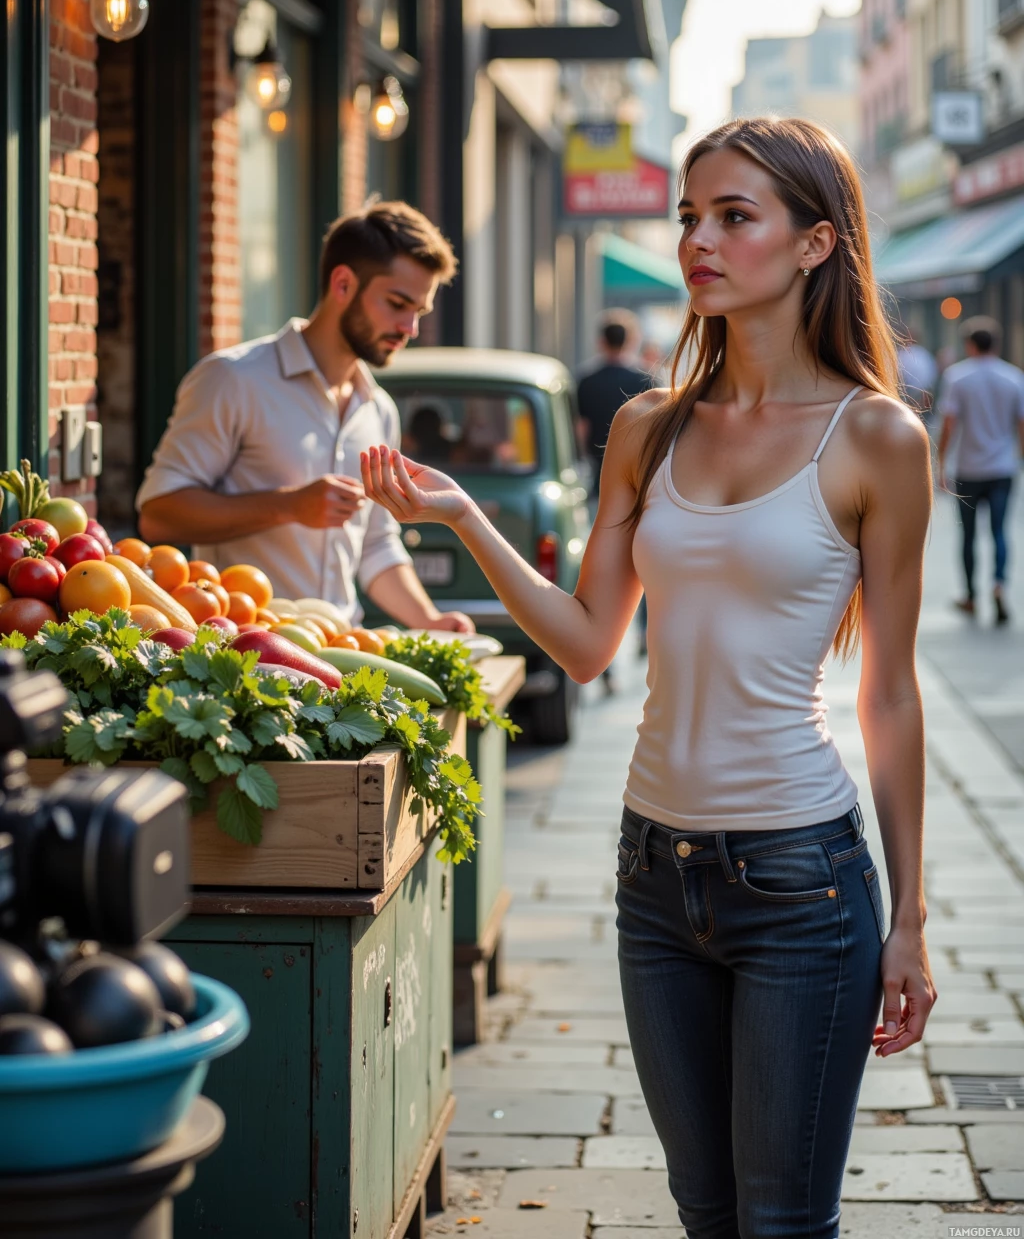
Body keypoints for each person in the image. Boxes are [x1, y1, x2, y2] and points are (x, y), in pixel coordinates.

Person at [360, 117, 936, 1239]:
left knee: (778, 1222)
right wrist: (463, 513)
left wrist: (907, 917)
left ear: (816, 244)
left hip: (802, 882)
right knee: (704, 1210)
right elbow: (584, 644)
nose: (698, 242)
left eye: (734, 216)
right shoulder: (644, 428)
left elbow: (893, 695)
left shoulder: (876, 438)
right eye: (688, 216)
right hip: (650, 874)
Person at [136, 201, 474, 635]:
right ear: (343, 283)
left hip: (341, 658)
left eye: (419, 312)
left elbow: (375, 544)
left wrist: (431, 621)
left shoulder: (379, 409)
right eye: (397, 304)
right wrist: (288, 506)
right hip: (245, 657)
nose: (410, 327)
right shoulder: (233, 379)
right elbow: (159, 514)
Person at [576, 314, 650, 686]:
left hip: (598, 480)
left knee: (600, 564)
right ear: (631, 340)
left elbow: (581, 432)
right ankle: (644, 636)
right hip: (644, 481)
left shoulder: (586, 382)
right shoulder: (645, 382)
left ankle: (604, 659)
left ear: (601, 342)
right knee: (646, 563)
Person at [936, 315, 1024, 625]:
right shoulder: (1014, 377)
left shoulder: (957, 377)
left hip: (968, 468)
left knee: (969, 535)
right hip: (1002, 467)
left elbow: (948, 424)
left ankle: (971, 596)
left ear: (969, 345)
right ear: (996, 344)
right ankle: (999, 584)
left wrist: (940, 461)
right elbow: (1021, 424)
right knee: (1000, 531)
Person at [896, 326, 938, 416]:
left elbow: (929, 377)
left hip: (917, 395)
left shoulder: (922, 354)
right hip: (907, 395)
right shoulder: (902, 354)